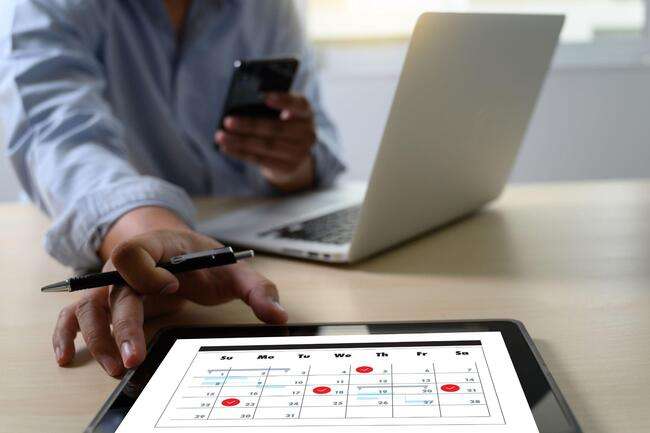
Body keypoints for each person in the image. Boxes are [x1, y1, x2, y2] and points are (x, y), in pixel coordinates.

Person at [0, 0, 345, 377]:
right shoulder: (44, 7)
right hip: (143, 256)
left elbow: (321, 150)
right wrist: (149, 235)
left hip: (255, 253)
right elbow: (62, 141)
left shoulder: (269, 8)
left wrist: (290, 162)